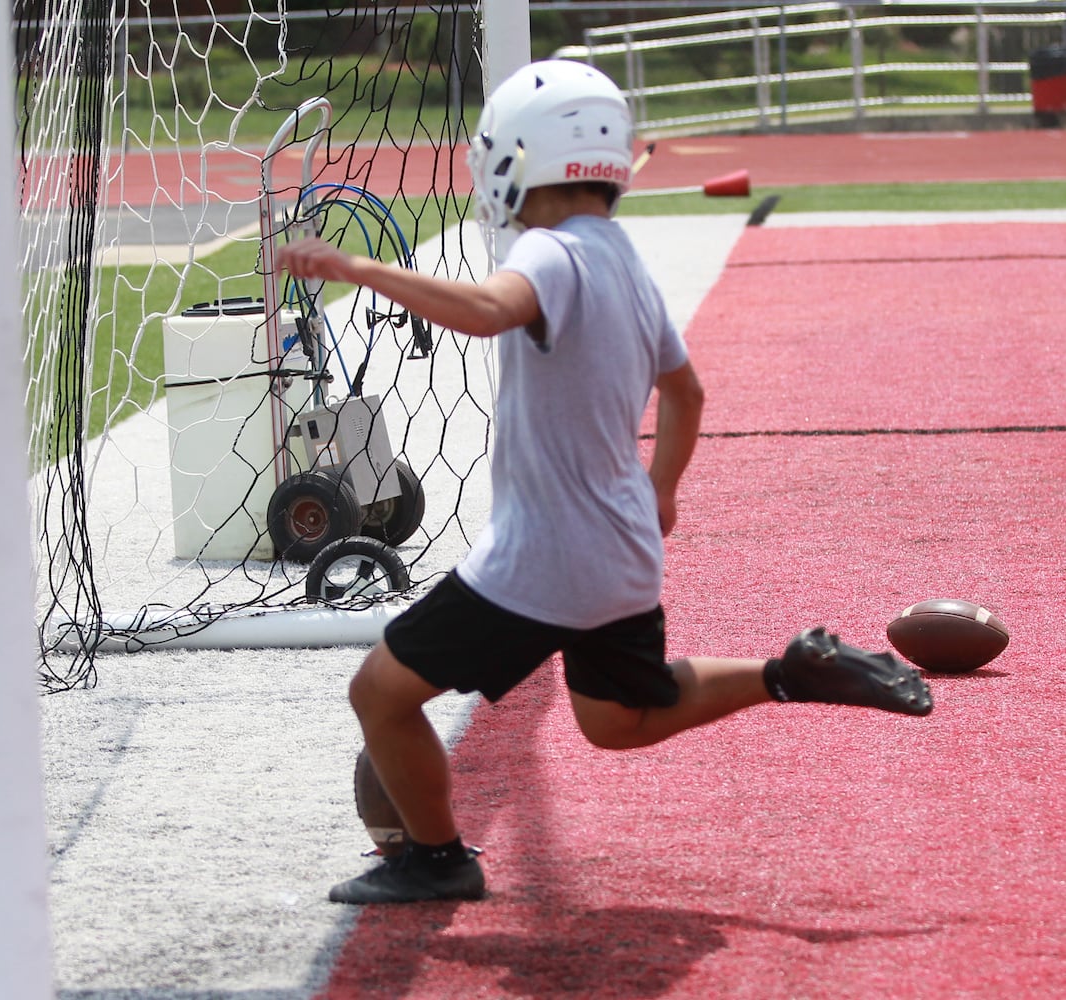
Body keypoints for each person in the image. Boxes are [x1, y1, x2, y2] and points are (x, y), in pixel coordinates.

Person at [275, 60, 933, 906]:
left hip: (543, 560)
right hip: (619, 549)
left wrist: (356, 270)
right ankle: (789, 671)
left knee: (380, 692)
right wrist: (659, 490)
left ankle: (435, 861)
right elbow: (685, 390)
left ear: (512, 158)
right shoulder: (624, 256)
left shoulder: (547, 252)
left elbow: (486, 311)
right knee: (618, 719)